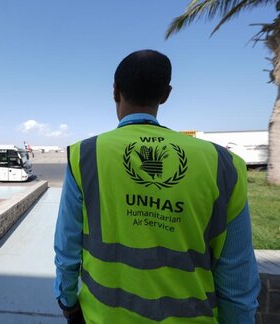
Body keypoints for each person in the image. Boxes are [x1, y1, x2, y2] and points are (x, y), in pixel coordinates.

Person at [54, 49, 260, 323]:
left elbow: (67, 248)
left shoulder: (85, 155)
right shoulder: (224, 163)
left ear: (115, 91)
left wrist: (67, 300)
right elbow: (237, 272)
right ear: (165, 94)